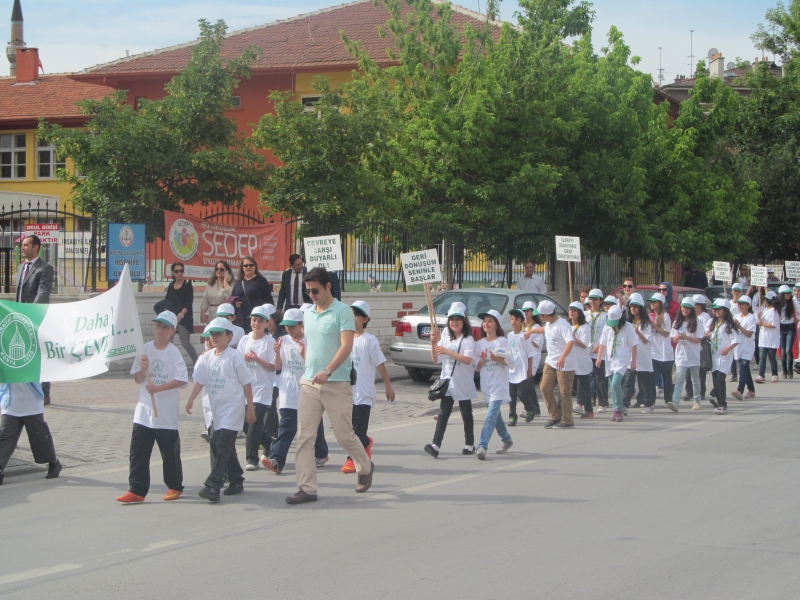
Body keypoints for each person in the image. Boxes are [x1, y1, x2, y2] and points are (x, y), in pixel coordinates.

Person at [287, 267, 373, 504]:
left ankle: (365, 466)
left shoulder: (342, 311)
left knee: (344, 436)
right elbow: (313, 345)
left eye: (315, 290)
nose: (311, 295)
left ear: (327, 286)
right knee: (305, 437)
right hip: (309, 384)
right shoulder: (309, 314)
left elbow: (346, 346)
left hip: (336, 383)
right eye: (308, 292)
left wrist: (327, 371)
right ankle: (307, 489)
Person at [116, 311, 188, 503]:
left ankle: (174, 486)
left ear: (173, 330)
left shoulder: (173, 352)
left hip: (165, 415)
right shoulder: (145, 349)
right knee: (138, 453)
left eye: (165, 327)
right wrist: (142, 367)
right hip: (143, 413)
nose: (160, 330)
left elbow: (182, 380)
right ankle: (137, 490)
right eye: (158, 326)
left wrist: (158, 388)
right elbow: (137, 379)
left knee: (169, 454)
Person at [186, 318, 256, 502]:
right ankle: (236, 479)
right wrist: (191, 399)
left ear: (229, 336)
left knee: (223, 446)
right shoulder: (206, 357)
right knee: (219, 445)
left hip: (232, 409)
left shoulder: (235, 357)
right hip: (215, 411)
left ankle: (213, 485)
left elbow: (247, 383)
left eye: (218, 334)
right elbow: (200, 380)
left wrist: (251, 409)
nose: (214, 337)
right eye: (212, 334)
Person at [261, 308, 329, 474]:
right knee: (287, 426)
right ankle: (276, 460)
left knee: (312, 423)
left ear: (301, 324)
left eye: (292, 326)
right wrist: (277, 353)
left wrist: (304, 354)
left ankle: (321, 453)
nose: (289, 329)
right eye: (286, 326)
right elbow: (277, 367)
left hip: (306, 389)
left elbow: (315, 368)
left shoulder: (310, 341)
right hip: (287, 390)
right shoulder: (282, 340)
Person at [341, 301, 395, 473]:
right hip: (347, 392)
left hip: (363, 393)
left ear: (365, 319)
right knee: (348, 430)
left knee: (357, 429)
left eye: (357, 315)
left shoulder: (369, 340)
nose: (353, 318)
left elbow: (380, 364)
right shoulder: (344, 338)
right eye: (351, 314)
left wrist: (388, 386)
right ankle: (366, 443)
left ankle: (352, 459)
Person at [425, 302, 478, 457]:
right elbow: (436, 359)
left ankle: (469, 444)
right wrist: (433, 343)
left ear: (464, 321)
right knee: (443, 413)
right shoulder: (445, 338)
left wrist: (447, 351)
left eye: (458, 319)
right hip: (447, 383)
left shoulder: (468, 340)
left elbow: (467, 360)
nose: (454, 322)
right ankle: (435, 445)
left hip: (463, 382)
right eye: (451, 319)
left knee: (466, 414)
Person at [238, 305, 277, 470]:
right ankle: (270, 443)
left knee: (254, 422)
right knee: (246, 425)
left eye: (261, 321)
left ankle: (251, 459)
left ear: (267, 323)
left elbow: (272, 366)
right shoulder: (245, 340)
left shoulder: (269, 342)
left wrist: (256, 359)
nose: (256, 324)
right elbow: (237, 360)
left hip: (262, 388)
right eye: (254, 320)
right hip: (246, 388)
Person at [16, 234, 54, 404]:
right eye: (22, 245)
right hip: (20, 319)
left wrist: (32, 315)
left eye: (25, 245)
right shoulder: (20, 268)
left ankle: (45, 392)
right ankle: (25, 389)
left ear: (36, 247)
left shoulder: (45, 268)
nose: (22, 248)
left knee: (41, 355)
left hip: (36, 318)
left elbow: (42, 294)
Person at [0, 382, 61, 485]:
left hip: (32, 402)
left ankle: (54, 463)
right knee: (5, 435)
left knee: (39, 435)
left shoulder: (34, 364)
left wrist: (45, 393)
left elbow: (48, 371)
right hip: (10, 402)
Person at [529, 300, 576, 429]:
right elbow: (545, 329)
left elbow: (570, 342)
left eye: (540, 315)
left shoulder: (563, 325)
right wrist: (531, 332)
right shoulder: (549, 323)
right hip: (551, 361)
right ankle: (555, 416)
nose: (538, 317)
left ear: (546, 315)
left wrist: (562, 357)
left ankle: (567, 420)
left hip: (565, 363)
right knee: (544, 387)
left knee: (564, 392)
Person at [474, 309, 514, 459]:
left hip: (499, 384)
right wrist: (483, 360)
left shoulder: (502, 341)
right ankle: (506, 439)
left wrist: (497, 359)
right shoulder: (479, 344)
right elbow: (477, 366)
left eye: (490, 321)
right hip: (487, 385)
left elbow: (511, 363)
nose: (486, 324)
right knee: (496, 416)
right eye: (484, 321)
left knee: (490, 415)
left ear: (496, 325)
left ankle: (482, 446)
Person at [595, 305, 638, 422]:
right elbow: (602, 343)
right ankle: (616, 409)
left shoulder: (628, 327)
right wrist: (599, 358)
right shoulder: (607, 327)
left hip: (622, 360)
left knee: (615, 383)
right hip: (610, 360)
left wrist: (633, 362)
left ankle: (619, 408)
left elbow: (634, 346)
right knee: (613, 388)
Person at [668, 297, 703, 412]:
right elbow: (673, 339)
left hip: (693, 355)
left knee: (694, 379)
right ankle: (675, 402)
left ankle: (697, 401)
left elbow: (699, 340)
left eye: (688, 308)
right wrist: (677, 338)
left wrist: (686, 337)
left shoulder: (697, 322)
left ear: (692, 309)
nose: (685, 310)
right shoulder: (677, 322)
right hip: (681, 356)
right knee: (679, 378)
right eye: (683, 307)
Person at [624, 293, 655, 413]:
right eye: (631, 306)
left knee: (644, 382)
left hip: (643, 357)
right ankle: (625, 405)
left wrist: (637, 332)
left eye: (636, 306)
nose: (633, 308)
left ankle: (649, 403)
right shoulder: (627, 323)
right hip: (630, 357)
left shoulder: (646, 323)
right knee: (628, 382)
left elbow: (646, 340)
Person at [706, 299, 739, 414]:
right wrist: (707, 335)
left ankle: (722, 404)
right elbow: (709, 336)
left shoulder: (728, 325)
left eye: (719, 309)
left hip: (724, 357)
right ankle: (718, 399)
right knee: (715, 379)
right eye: (714, 309)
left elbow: (735, 340)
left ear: (725, 311)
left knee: (720, 378)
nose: (716, 311)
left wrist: (727, 349)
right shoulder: (712, 323)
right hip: (714, 356)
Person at [507, 308, 537, 425]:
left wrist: (529, 369)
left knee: (522, 393)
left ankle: (530, 408)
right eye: (512, 319)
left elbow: (530, 354)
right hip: (512, 369)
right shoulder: (509, 336)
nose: (514, 321)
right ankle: (512, 416)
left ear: (522, 322)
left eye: (516, 319)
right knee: (511, 396)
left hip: (522, 368)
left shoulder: (524, 336)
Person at [165, 262, 198, 365]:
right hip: (171, 318)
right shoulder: (170, 286)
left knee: (185, 343)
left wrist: (180, 315)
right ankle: (169, 363)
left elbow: (188, 303)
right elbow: (167, 301)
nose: (179, 273)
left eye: (181, 271)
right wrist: (167, 313)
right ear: (173, 273)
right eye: (176, 271)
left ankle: (197, 362)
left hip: (184, 319)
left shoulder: (187, 285)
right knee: (168, 342)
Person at [232, 256, 274, 334]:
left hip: (257, 319)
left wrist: (269, 317)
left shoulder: (261, 281)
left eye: (251, 265)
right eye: (246, 265)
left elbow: (269, 300)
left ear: (255, 267)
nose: (248, 267)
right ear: (242, 267)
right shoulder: (238, 282)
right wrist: (235, 303)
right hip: (241, 319)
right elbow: (232, 298)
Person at [648, 293, 674, 406]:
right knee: (651, 378)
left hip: (664, 352)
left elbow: (667, 333)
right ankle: (651, 400)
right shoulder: (650, 316)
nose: (652, 304)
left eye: (655, 302)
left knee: (666, 377)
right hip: (653, 352)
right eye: (651, 302)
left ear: (660, 304)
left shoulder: (665, 316)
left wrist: (655, 326)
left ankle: (668, 400)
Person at [568, 301, 594, 419]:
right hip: (570, 360)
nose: (571, 312)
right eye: (570, 310)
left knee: (585, 387)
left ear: (579, 313)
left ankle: (589, 410)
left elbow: (584, 344)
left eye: (574, 310)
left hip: (582, 361)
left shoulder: (584, 327)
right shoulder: (567, 326)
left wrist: (572, 338)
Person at [586, 289, 609, 412]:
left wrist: (600, 345)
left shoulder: (605, 316)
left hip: (600, 352)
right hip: (587, 351)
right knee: (588, 377)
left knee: (600, 378)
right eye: (591, 299)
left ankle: (602, 402)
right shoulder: (585, 315)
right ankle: (588, 399)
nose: (593, 301)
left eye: (595, 299)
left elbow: (606, 334)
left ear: (601, 301)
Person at [685, 294, 711, 401]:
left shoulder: (705, 317)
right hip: (689, 345)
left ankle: (701, 391)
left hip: (701, 345)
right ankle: (689, 392)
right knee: (688, 369)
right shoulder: (689, 316)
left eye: (694, 305)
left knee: (701, 370)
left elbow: (705, 332)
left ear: (699, 305)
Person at [520, 301, 543, 417]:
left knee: (527, 383)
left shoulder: (536, 327)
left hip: (533, 358)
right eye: (524, 311)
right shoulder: (522, 325)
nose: (525, 313)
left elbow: (539, 344)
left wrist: (527, 338)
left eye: (528, 311)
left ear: (533, 312)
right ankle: (536, 408)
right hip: (523, 357)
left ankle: (530, 408)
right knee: (528, 384)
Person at [731, 296, 757, 400]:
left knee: (742, 369)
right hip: (739, 346)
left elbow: (749, 334)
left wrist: (739, 326)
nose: (740, 306)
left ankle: (739, 391)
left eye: (742, 304)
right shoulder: (736, 316)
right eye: (739, 304)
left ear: (748, 305)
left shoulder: (751, 318)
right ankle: (751, 390)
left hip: (747, 347)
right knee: (746, 370)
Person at [755, 290, 780, 384]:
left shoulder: (774, 311)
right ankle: (761, 375)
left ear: (767, 301)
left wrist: (762, 323)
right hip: (763, 338)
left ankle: (774, 374)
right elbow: (760, 323)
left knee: (772, 358)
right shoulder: (765, 310)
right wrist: (759, 317)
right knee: (762, 357)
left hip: (771, 339)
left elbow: (773, 324)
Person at [778, 285, 795, 379]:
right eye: (786, 293)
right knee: (783, 351)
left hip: (790, 327)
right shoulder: (778, 304)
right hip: (781, 328)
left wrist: (797, 319)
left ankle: (790, 371)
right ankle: (784, 371)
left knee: (789, 350)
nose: (788, 295)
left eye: (789, 293)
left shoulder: (792, 303)